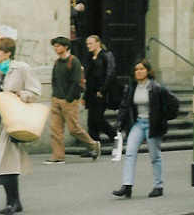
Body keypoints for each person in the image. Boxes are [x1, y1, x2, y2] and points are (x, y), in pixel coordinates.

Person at [112, 59, 179, 198]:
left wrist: (164, 118)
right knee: (130, 152)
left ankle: (158, 186)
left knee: (154, 156)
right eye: (136, 70)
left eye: (142, 69)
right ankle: (127, 185)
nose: (139, 72)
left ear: (148, 71)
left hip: (153, 125)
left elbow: (174, 103)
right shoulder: (132, 87)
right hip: (138, 124)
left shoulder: (156, 88)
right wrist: (119, 121)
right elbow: (125, 106)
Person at [0, 37, 42, 215]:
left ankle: (12, 202)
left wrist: (19, 94)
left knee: (5, 162)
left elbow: (35, 92)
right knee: (4, 163)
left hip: (10, 120)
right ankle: (15, 202)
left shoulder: (21, 68)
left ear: (8, 52)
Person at [46, 36, 100, 164]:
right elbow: (54, 79)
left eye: (58, 45)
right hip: (56, 99)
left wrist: (68, 98)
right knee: (55, 130)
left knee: (73, 129)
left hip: (69, 101)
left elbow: (76, 82)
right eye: (55, 46)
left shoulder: (73, 61)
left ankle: (93, 145)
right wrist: (54, 95)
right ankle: (58, 156)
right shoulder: (57, 62)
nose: (56, 48)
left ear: (66, 47)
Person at [82, 35, 118, 153]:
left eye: (91, 43)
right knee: (91, 122)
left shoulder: (106, 55)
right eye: (87, 44)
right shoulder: (90, 57)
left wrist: (102, 90)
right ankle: (94, 148)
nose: (88, 46)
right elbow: (88, 77)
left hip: (101, 92)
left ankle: (115, 135)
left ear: (98, 43)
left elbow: (110, 73)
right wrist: (84, 95)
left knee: (98, 119)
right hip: (91, 93)